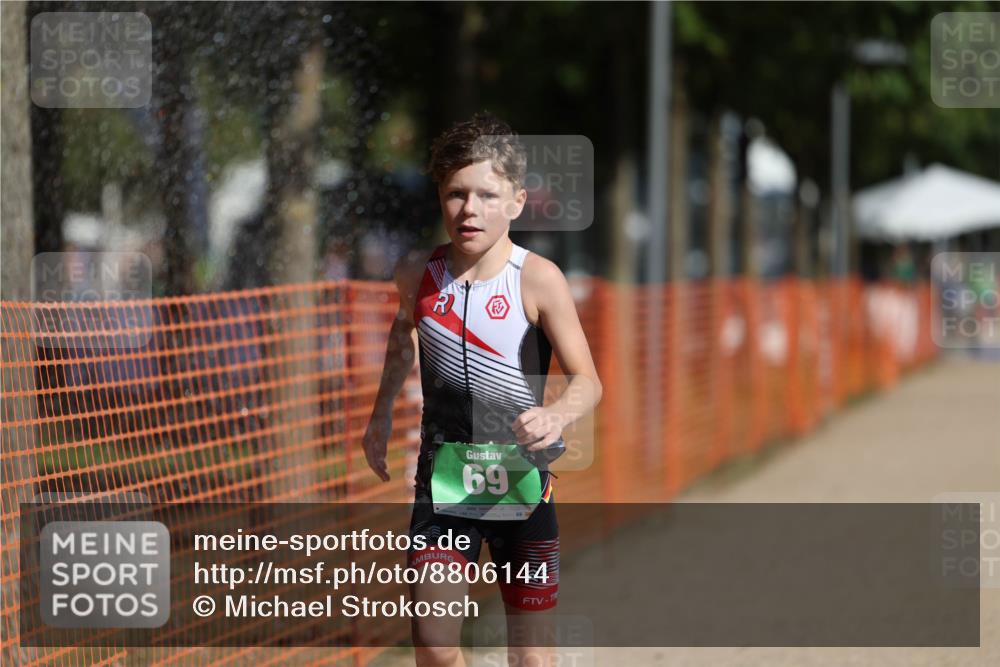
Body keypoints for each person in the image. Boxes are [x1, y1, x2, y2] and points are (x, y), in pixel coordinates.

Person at [361, 113, 602, 667]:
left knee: (531, 656)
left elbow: (589, 381)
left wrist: (556, 416)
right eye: (455, 194)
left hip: (522, 483)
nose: (469, 210)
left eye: (487, 195)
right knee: (436, 645)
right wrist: (380, 415)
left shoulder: (538, 279)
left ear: (516, 201)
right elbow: (404, 333)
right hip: (444, 485)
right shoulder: (415, 273)